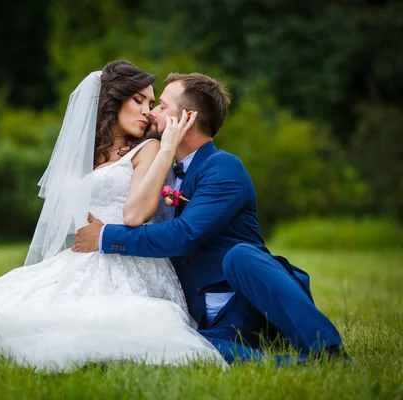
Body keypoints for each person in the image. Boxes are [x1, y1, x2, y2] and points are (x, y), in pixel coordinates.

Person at [0, 61, 227, 372]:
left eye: (151, 102)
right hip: (83, 254)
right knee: (14, 310)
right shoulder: (86, 156)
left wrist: (166, 151)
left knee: (97, 324)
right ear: (113, 99)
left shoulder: (149, 149)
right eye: (139, 99)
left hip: (128, 257)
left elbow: (135, 214)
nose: (147, 111)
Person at [73, 72, 349, 364]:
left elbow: (184, 234)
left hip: (249, 303)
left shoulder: (223, 168)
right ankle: (291, 365)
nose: (151, 113)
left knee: (240, 256)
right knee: (178, 347)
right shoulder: (162, 169)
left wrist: (105, 236)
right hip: (205, 319)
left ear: (187, 119)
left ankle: (328, 350)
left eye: (161, 106)